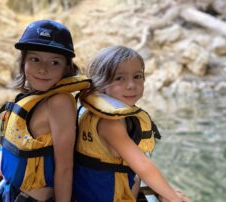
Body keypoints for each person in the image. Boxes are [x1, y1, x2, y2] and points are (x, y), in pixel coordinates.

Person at [73, 45, 191, 202]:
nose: (131, 85)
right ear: (100, 82)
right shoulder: (110, 123)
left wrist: (165, 191)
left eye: (137, 76)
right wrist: (174, 198)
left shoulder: (88, 110)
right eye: (119, 78)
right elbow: (143, 166)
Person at [0, 19, 90, 202]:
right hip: (11, 191)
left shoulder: (60, 103)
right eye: (35, 59)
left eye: (54, 62)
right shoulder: (32, 97)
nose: (43, 69)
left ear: (67, 68)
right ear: (24, 62)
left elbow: (65, 168)